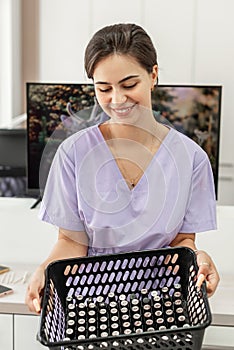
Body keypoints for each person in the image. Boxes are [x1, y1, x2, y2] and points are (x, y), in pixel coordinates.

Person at [26, 23, 220, 313]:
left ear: (153, 75)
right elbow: (70, 242)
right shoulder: (73, 154)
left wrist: (198, 260)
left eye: (129, 85)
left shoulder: (191, 159)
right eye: (104, 88)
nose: (117, 100)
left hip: (163, 305)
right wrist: (46, 269)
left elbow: (182, 242)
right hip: (89, 306)